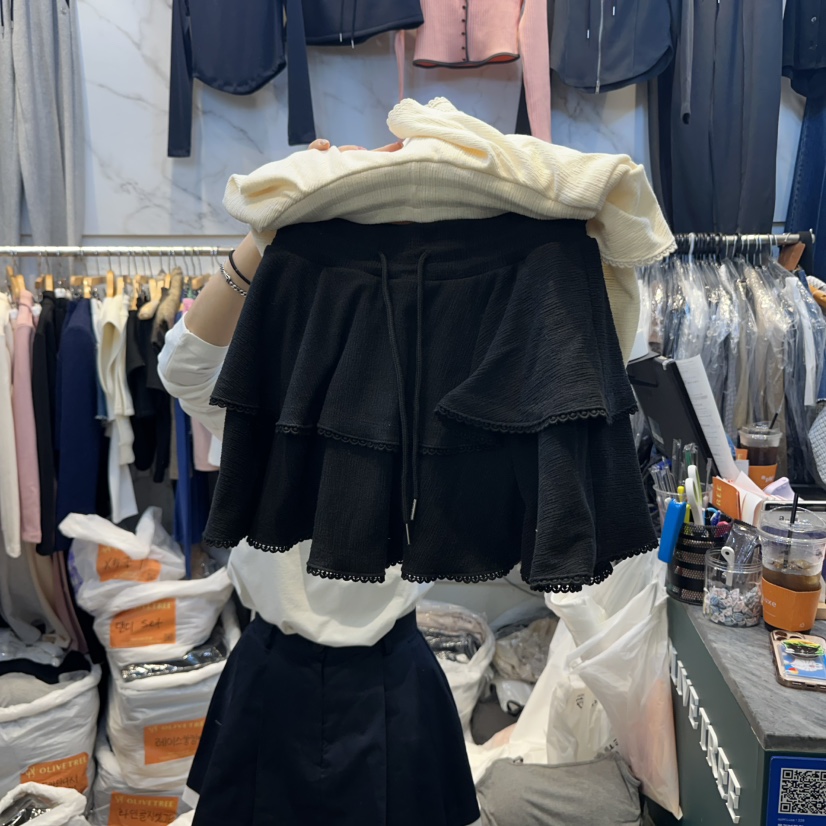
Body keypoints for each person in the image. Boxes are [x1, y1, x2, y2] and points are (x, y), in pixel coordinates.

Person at [158, 139, 481, 826]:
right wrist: (270, 225)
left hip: (391, 676)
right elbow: (182, 365)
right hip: (276, 674)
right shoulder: (267, 396)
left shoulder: (434, 393)